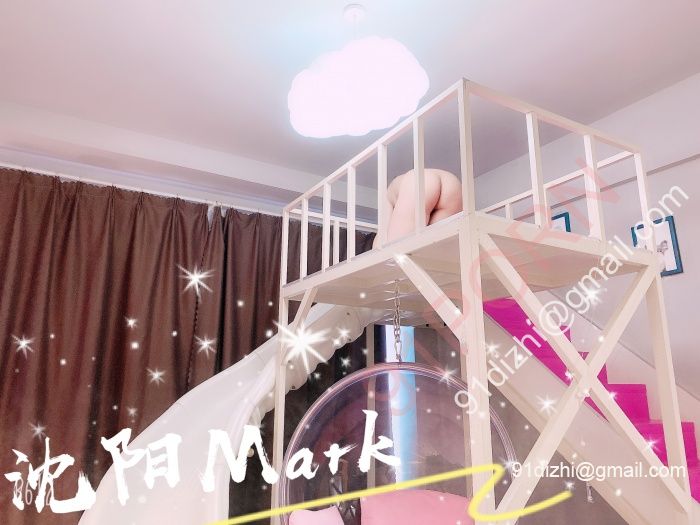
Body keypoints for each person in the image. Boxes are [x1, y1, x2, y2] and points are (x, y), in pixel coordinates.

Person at [375, 168, 462, 247]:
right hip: (452, 183)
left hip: (418, 181)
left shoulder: (388, 194)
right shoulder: (400, 182)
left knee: (396, 248)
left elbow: (381, 236)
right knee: (433, 247)